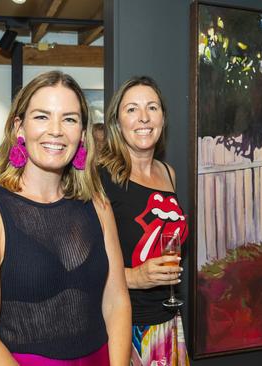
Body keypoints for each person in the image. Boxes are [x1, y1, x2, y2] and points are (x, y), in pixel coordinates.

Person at [0, 71, 131, 366]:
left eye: (70, 119)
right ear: (19, 128)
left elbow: (117, 303)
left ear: (82, 133)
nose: (57, 130)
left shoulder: (98, 206)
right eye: (42, 117)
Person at [98, 76, 190, 365]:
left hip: (169, 320)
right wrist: (135, 277)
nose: (143, 118)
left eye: (152, 107)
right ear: (117, 122)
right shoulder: (100, 179)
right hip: (126, 325)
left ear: (162, 117)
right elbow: (80, 267)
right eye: (132, 109)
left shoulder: (167, 173)